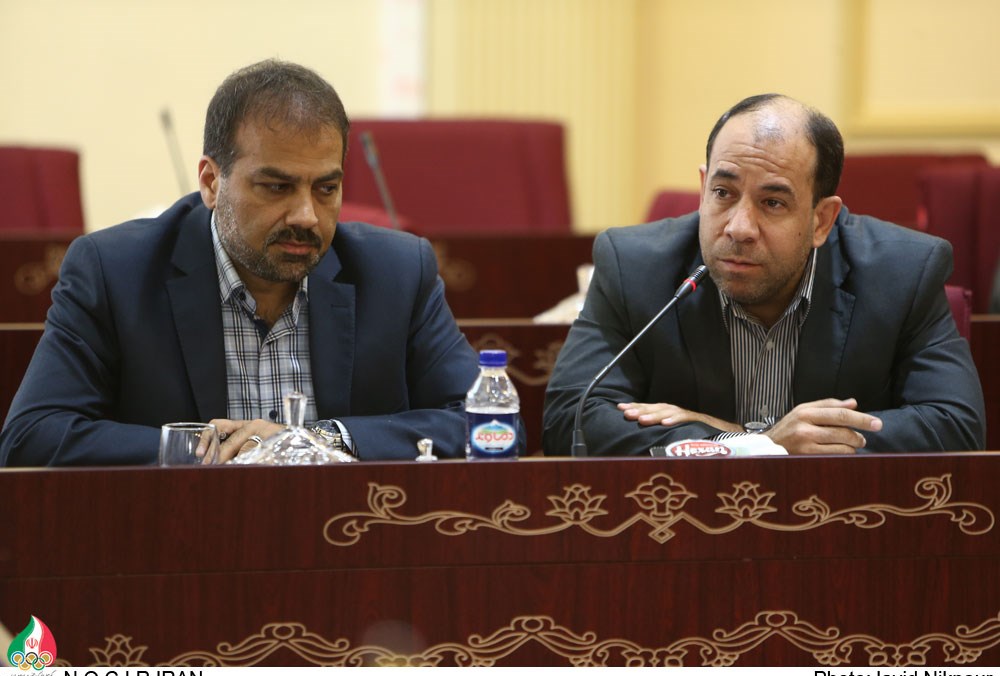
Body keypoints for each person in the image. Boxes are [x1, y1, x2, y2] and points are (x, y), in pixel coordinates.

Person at [0, 59, 498, 467]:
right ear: (211, 182)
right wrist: (212, 450)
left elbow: (487, 422)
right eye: (276, 187)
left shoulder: (397, 272)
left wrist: (317, 440)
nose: (306, 215)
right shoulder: (114, 272)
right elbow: (31, 435)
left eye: (326, 188)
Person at [543, 94, 985, 456]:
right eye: (723, 193)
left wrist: (755, 438)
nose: (739, 228)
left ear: (821, 220)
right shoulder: (633, 265)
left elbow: (956, 426)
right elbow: (570, 421)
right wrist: (750, 442)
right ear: (702, 189)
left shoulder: (902, 272)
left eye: (773, 203)